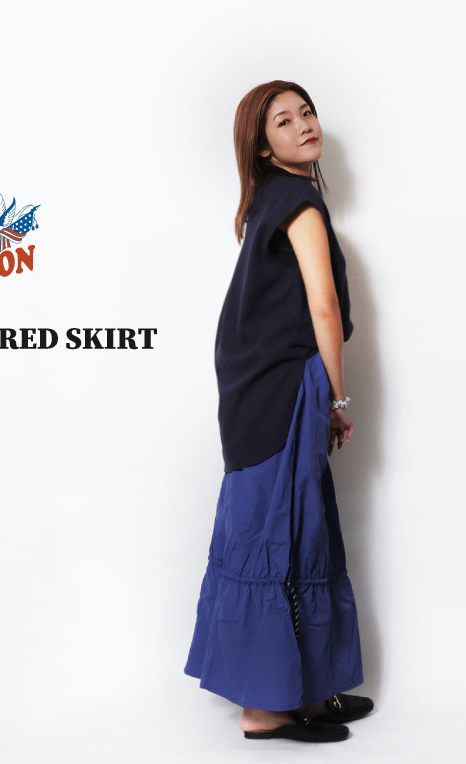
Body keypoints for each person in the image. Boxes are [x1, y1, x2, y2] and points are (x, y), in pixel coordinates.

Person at [183, 81, 374, 743]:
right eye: (283, 121)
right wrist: (337, 398)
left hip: (262, 388)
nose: (303, 125)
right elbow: (323, 305)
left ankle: (308, 694)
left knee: (297, 528)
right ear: (263, 147)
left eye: (306, 112)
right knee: (277, 531)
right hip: (282, 389)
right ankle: (263, 711)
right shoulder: (298, 202)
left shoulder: (271, 200)